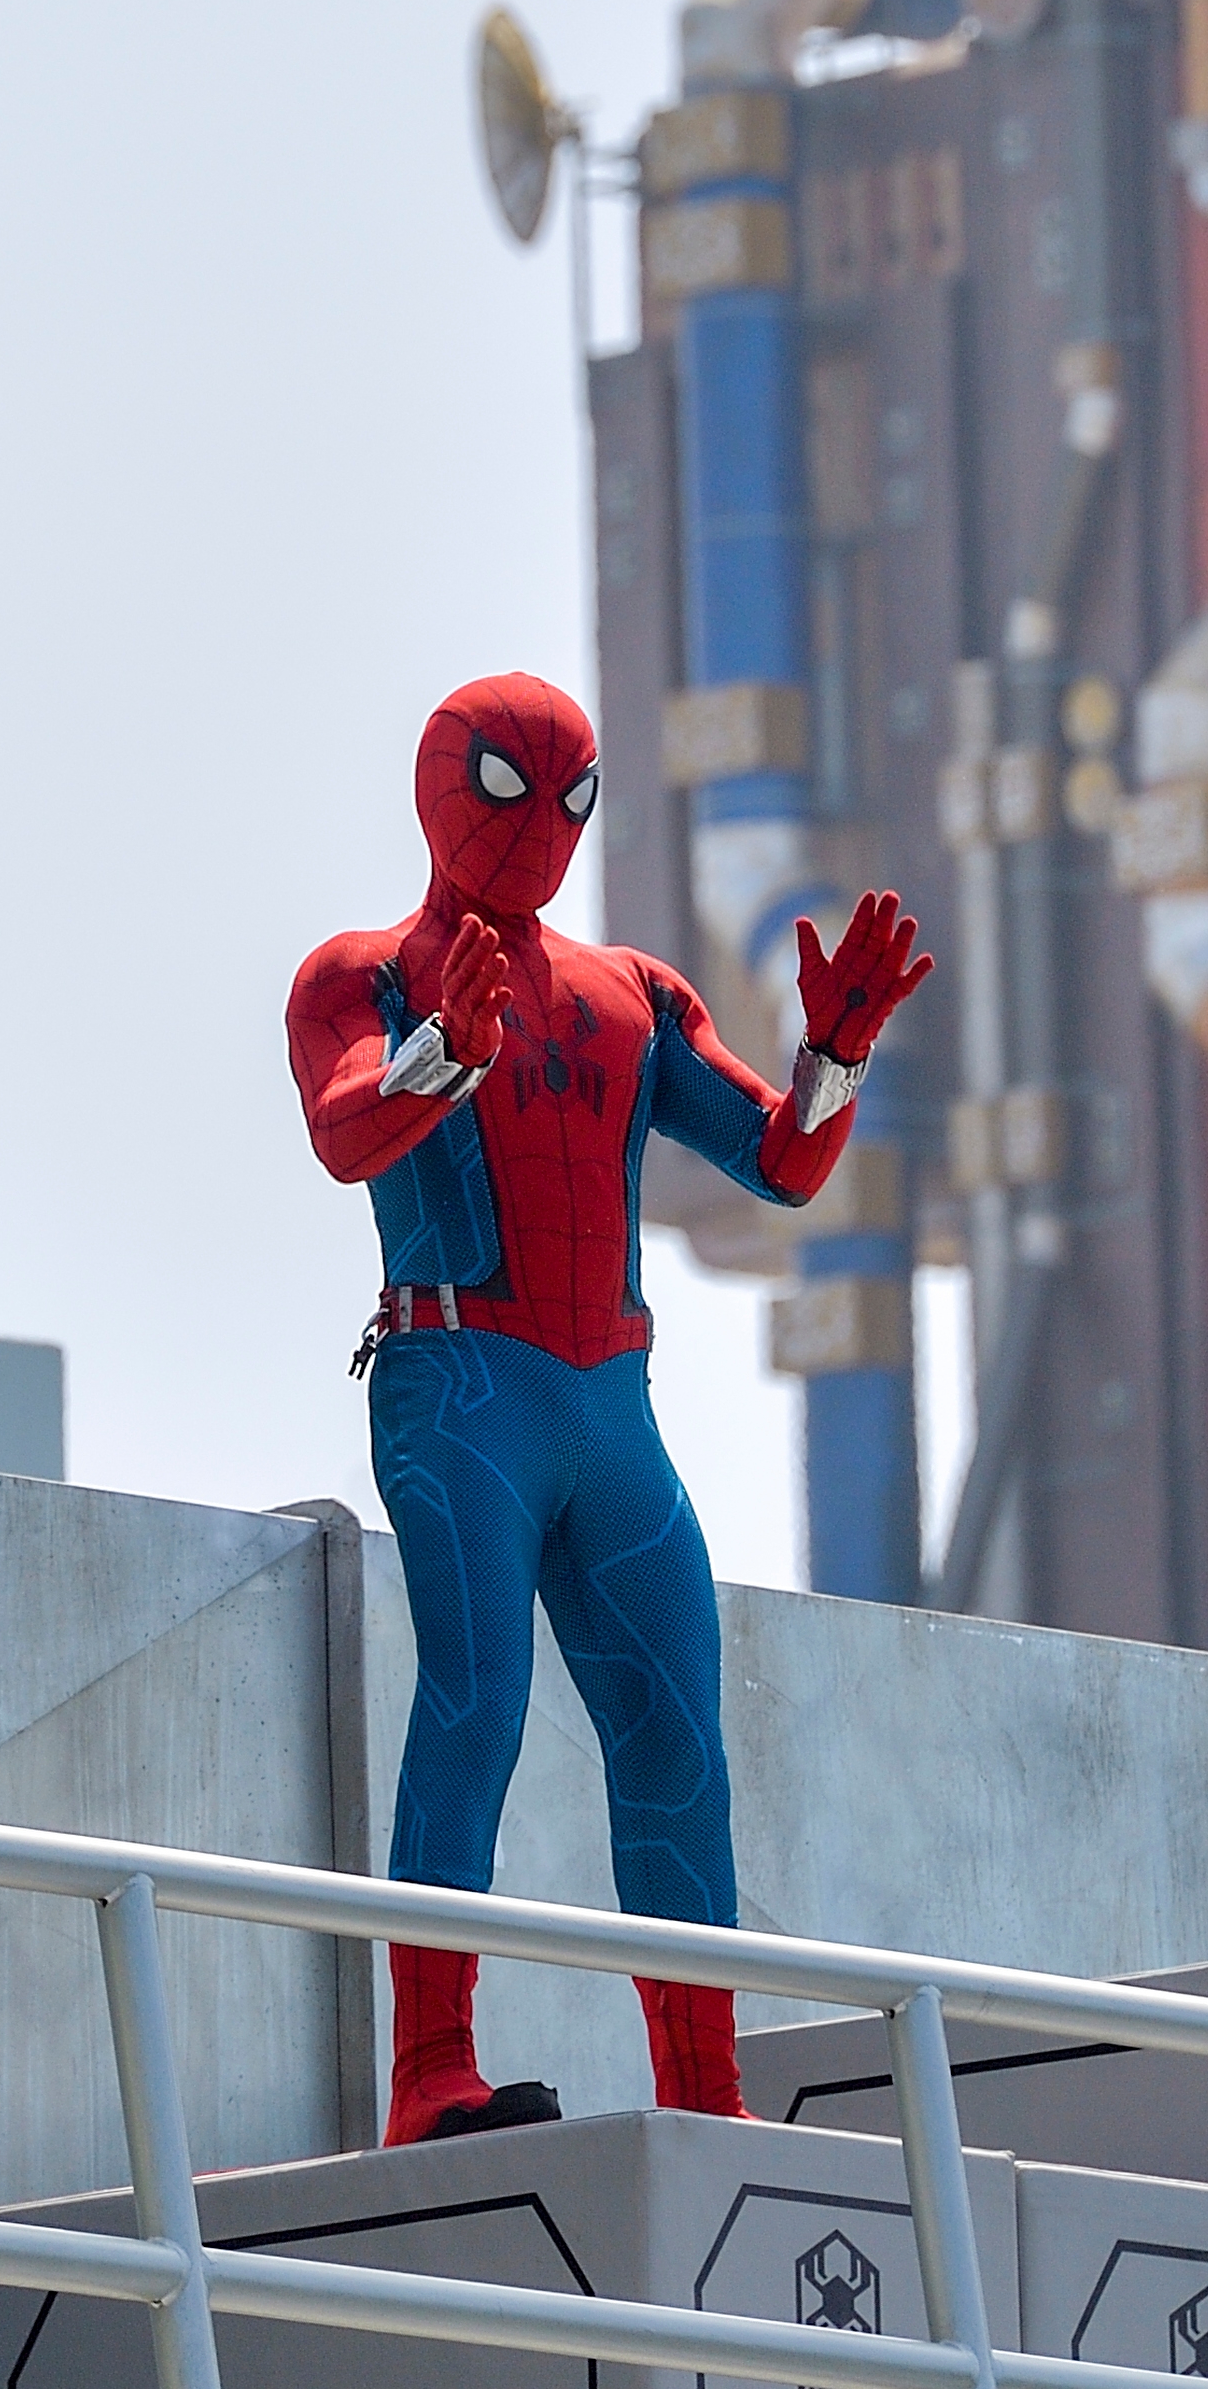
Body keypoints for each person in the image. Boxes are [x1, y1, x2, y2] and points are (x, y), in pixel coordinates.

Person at [286, 667, 933, 2143]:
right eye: (512, 787)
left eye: (574, 794)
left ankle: (707, 2087)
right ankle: (429, 2069)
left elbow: (777, 1162)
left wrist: (836, 1057)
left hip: (605, 1399)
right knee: (476, 1702)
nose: (544, 826)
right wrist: (447, 1045)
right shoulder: (361, 973)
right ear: (445, 787)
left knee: (677, 1741)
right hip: (463, 1384)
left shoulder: (633, 991)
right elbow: (347, 1128)